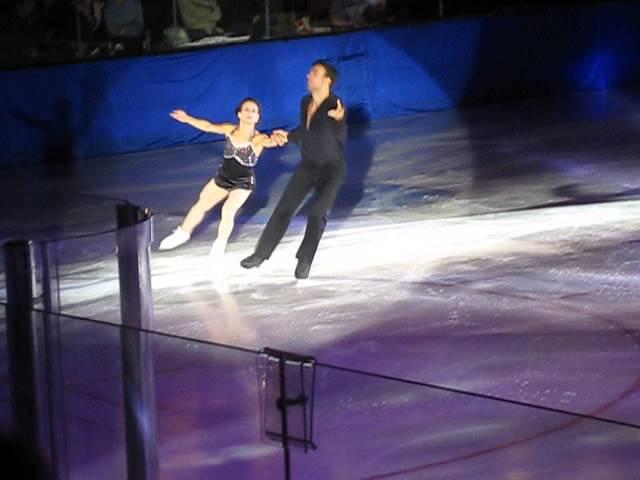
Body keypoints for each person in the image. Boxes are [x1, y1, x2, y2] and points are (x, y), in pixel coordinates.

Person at [240, 60, 347, 280]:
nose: (309, 75)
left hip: (332, 169)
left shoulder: (333, 105)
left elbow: (339, 115)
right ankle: (261, 254)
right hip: (308, 166)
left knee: (317, 213)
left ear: (327, 80)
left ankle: (305, 260)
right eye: (310, 72)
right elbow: (306, 132)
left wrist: (341, 115)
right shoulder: (305, 102)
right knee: (284, 208)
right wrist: (287, 136)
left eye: (315, 73)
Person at [158, 98, 281, 258]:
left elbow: (270, 141)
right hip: (223, 177)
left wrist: (279, 139)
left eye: (254, 111)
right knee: (201, 204)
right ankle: (182, 233)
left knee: (228, 210)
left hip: (243, 182)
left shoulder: (258, 139)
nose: (250, 113)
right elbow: (208, 126)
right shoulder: (229, 130)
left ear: (258, 117)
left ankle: (220, 243)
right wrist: (187, 118)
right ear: (239, 114)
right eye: (246, 110)